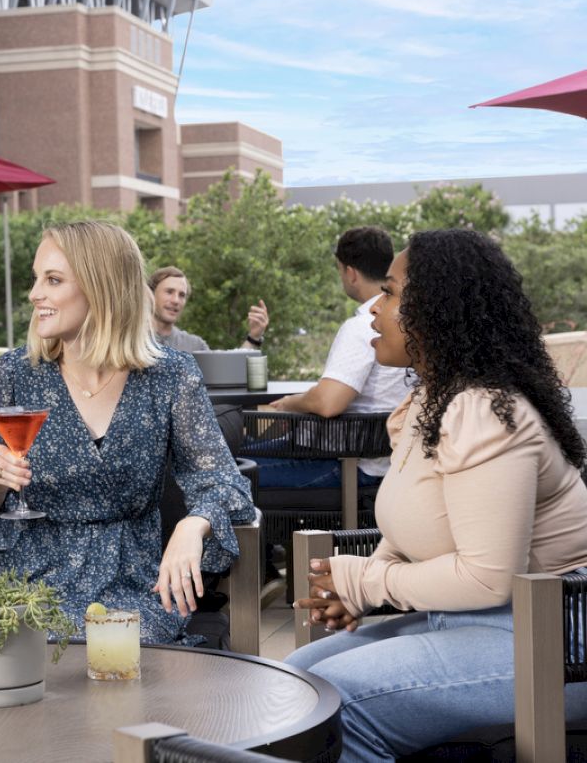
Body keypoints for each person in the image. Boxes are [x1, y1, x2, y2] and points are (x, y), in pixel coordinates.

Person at [286, 229, 587, 761]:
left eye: (393, 292)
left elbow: (488, 576)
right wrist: (361, 587)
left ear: (438, 312)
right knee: (290, 681)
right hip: (475, 621)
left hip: (556, 639)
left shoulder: (486, 412)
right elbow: (414, 528)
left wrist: (366, 579)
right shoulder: (431, 403)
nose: (375, 308)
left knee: (332, 702)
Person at [0, 221, 255, 644]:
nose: (34, 294)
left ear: (103, 287)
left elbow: (226, 484)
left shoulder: (170, 375)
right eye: (36, 278)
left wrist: (194, 524)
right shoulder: (14, 373)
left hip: (132, 579)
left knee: (119, 649)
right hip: (26, 577)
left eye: (53, 280)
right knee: (15, 642)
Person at [260, 226, 409, 487]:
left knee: (232, 471)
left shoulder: (364, 324)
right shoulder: (408, 327)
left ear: (350, 273)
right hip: (391, 465)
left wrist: (290, 404)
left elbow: (328, 403)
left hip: (350, 467)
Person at [148, 265, 268, 352]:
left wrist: (254, 337)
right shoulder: (131, 340)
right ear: (150, 295)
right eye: (169, 292)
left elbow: (226, 371)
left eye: (182, 295)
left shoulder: (194, 346)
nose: (176, 300)